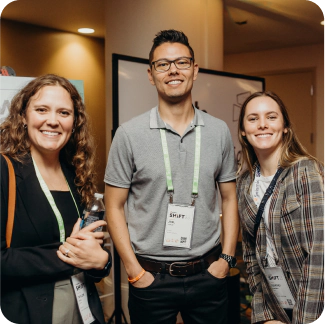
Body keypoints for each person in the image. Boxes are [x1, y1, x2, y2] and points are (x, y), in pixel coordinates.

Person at [104, 29, 239, 323]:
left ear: (195, 70)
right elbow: (113, 206)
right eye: (163, 64)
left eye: (182, 62)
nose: (173, 70)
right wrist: (133, 270)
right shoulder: (128, 134)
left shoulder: (218, 132)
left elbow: (229, 199)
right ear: (151, 75)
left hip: (208, 273)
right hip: (150, 277)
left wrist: (226, 260)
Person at [0, 74, 111, 324]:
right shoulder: (3, 171)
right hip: (28, 312)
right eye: (41, 110)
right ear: (23, 116)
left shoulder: (77, 175)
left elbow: (92, 249)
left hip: (84, 310)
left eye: (64, 113)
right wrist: (70, 256)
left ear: (75, 122)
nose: (53, 121)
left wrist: (102, 262)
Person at [237, 91, 325, 324]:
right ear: (243, 131)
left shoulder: (305, 172)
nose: (263, 125)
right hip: (276, 309)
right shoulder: (244, 183)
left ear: (285, 126)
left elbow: (319, 254)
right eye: (253, 118)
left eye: (272, 117)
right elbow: (251, 255)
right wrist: (264, 315)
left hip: (314, 309)